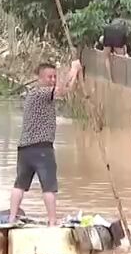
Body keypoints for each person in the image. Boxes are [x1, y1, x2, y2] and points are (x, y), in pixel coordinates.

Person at [8, 60, 82, 227]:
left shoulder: (33, 94)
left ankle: (11, 218)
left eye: (55, 77)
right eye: (50, 77)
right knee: (49, 187)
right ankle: (52, 221)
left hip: (25, 149)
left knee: (20, 184)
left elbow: (68, 90)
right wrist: (73, 68)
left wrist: (75, 75)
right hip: (41, 148)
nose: (53, 80)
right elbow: (62, 90)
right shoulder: (41, 93)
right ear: (40, 78)